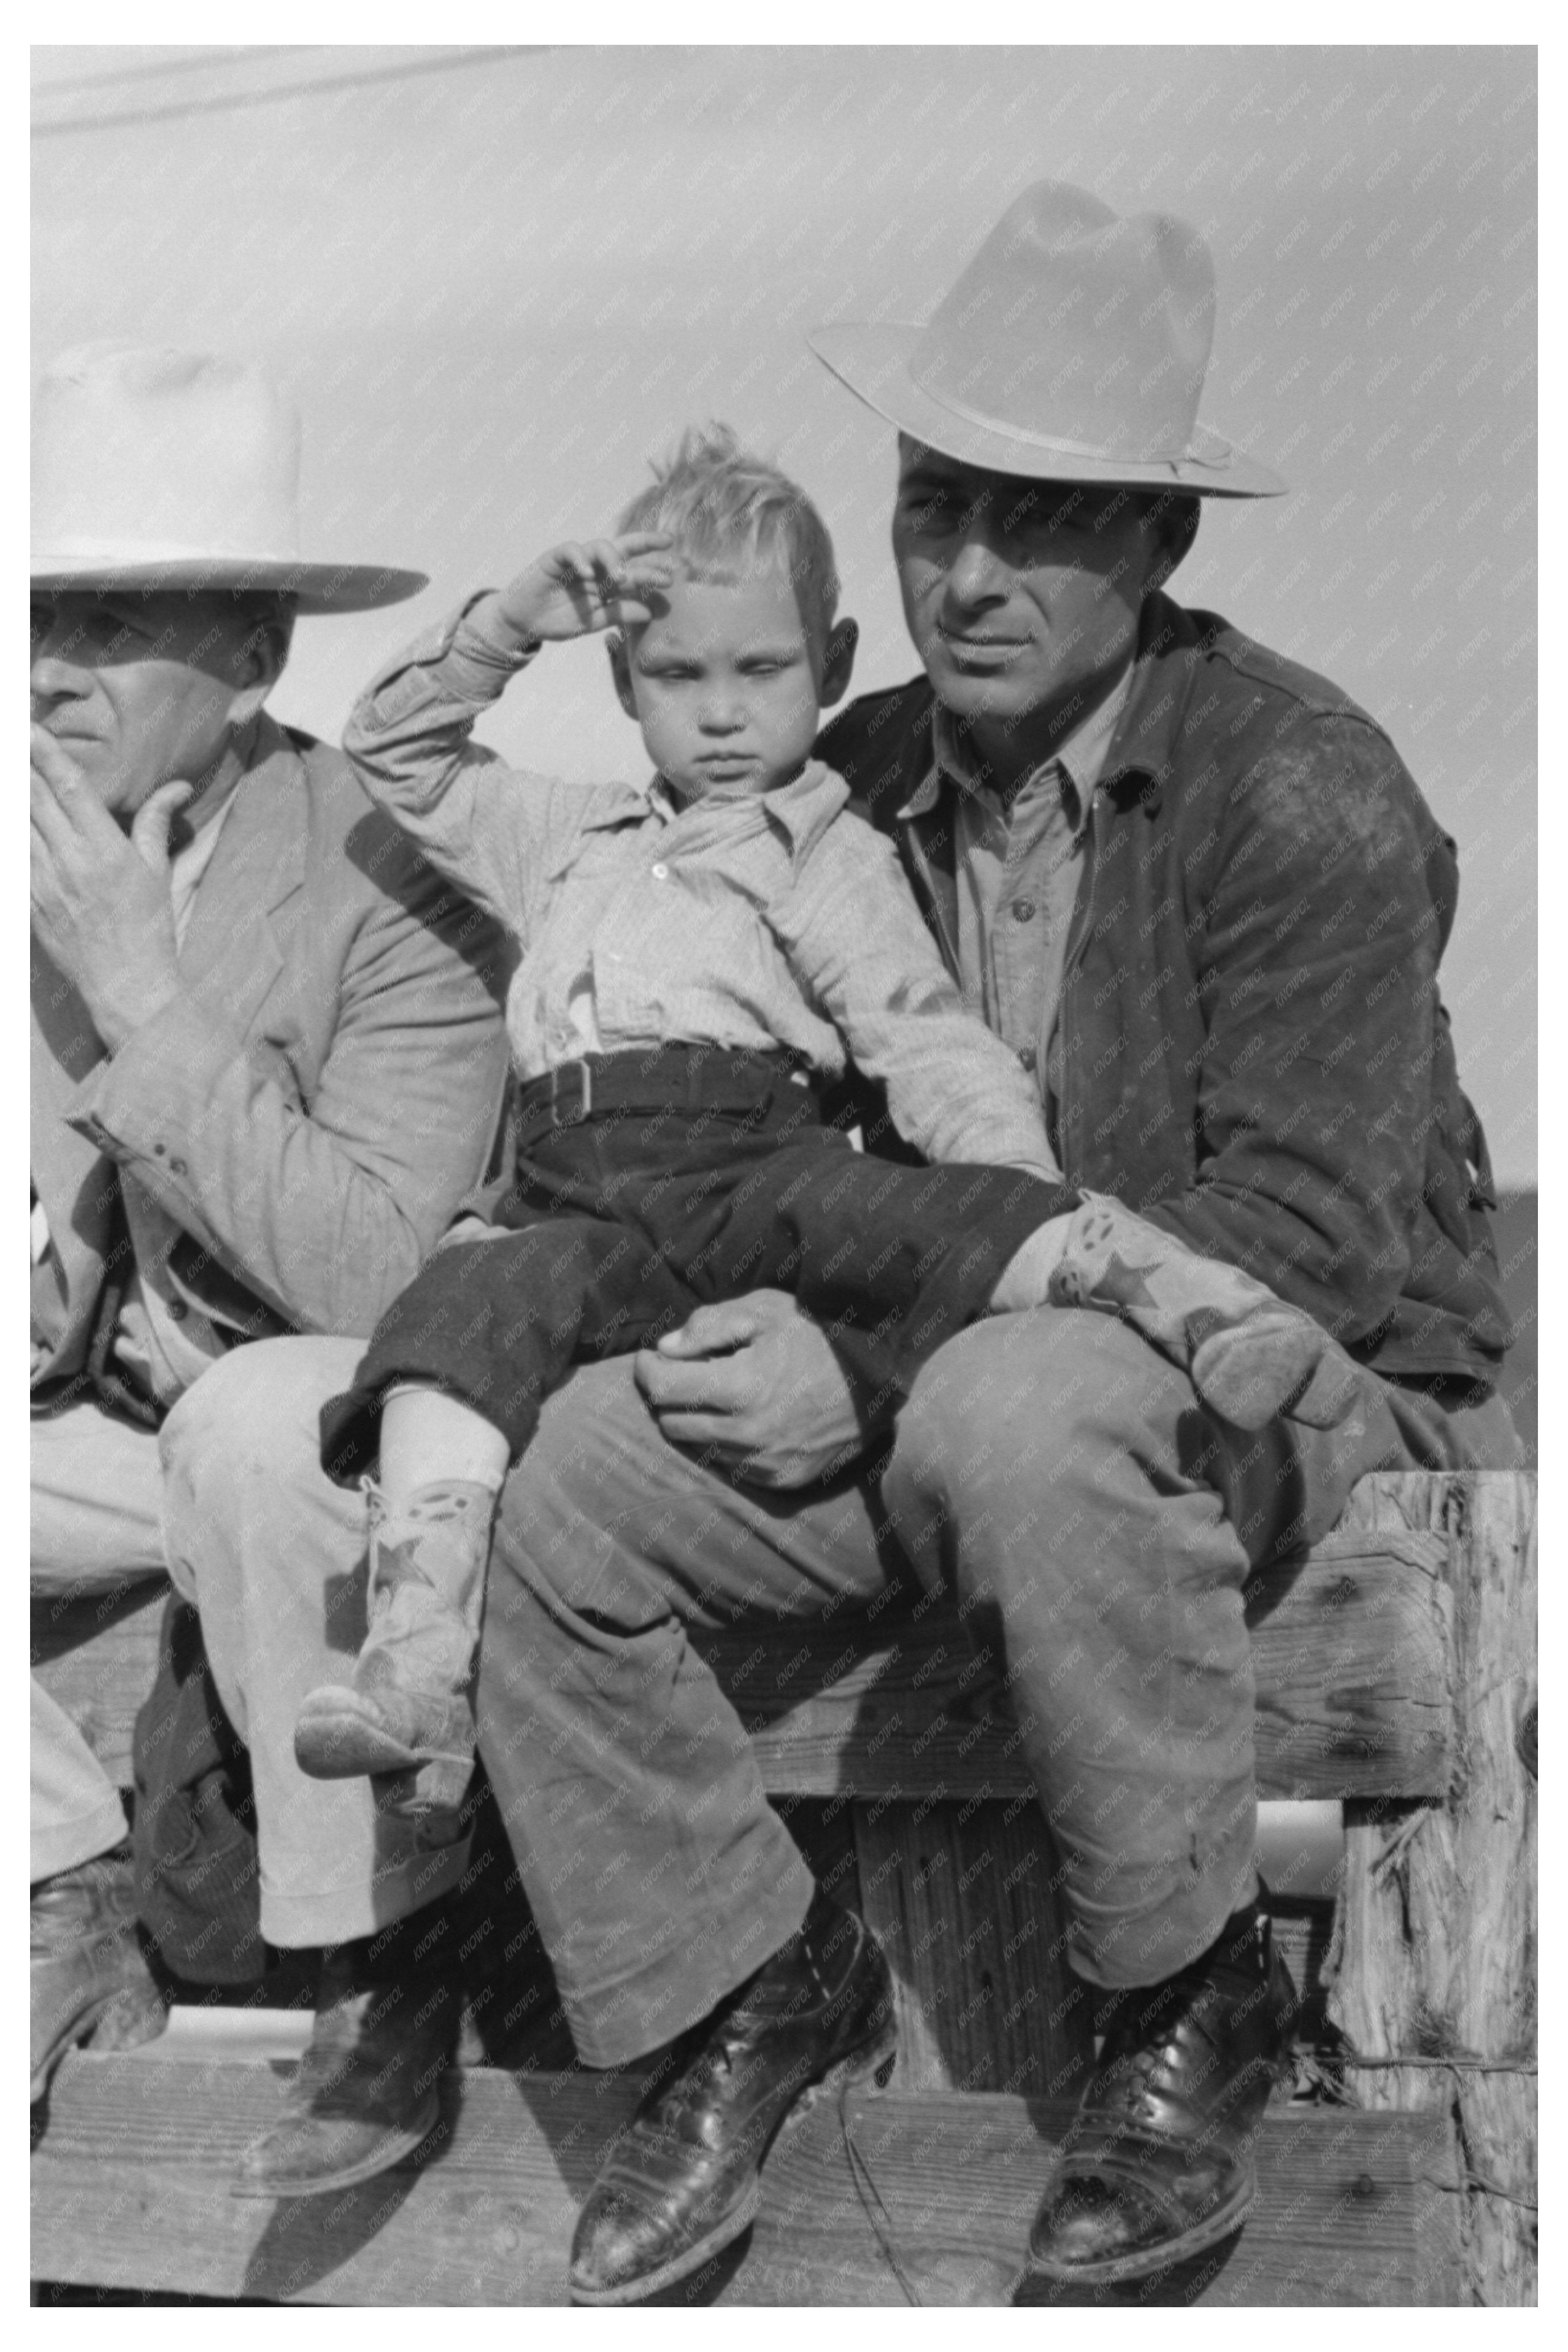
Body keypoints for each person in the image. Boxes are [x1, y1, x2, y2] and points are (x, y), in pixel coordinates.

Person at [159, 178, 1514, 2300]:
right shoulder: (833, 760)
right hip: (950, 1361)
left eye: (1039, 519)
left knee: (1018, 1402)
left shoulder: (1294, 786)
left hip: (1284, 1392)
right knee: (573, 1468)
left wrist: (858, 1357)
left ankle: (1180, 2001)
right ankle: (738, 1978)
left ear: (1158, 544)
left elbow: (1312, 1239)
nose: (968, 567)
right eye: (932, 500)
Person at [291, 428, 1336, 1818]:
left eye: (762, 672)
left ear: (832, 671)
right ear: (621, 678)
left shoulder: (825, 850)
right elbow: (396, 751)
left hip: (744, 1161)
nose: (721, 713)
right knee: (448, 1335)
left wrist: (1009, 1182)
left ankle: (1189, 1303)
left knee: (924, 1219)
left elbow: (922, 1034)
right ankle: (416, 1666)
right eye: (676, 675)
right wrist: (512, 623)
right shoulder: (563, 835)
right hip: (569, 1194)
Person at [29, 344, 509, 2108]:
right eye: (37, 613)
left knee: (251, 1435)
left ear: (254, 656)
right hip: (103, 1418)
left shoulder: (397, 863)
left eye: (117, 620)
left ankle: (376, 1981)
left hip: (345, 1430)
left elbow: (379, 1275)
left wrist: (140, 991)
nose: (55, 665)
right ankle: (60, 1874)